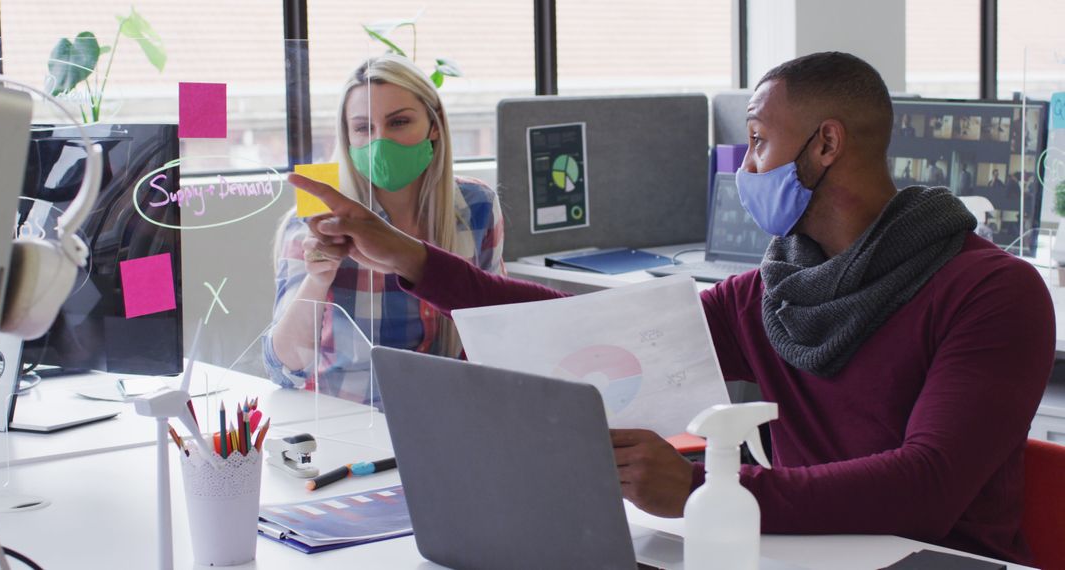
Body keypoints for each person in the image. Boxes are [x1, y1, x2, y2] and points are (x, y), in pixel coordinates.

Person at [289, 52, 1053, 565]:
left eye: (756, 143)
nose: (746, 166)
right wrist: (411, 258)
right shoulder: (778, 288)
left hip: (934, 561)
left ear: (825, 144)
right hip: (806, 550)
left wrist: (706, 492)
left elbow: (929, 484)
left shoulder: (990, 293)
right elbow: (582, 330)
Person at [263, 54, 505, 399]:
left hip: (446, 413)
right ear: (347, 138)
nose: (381, 142)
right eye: (363, 128)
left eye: (399, 122)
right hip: (350, 423)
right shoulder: (317, 221)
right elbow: (284, 370)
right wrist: (318, 281)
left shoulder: (476, 206)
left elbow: (497, 330)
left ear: (433, 125)